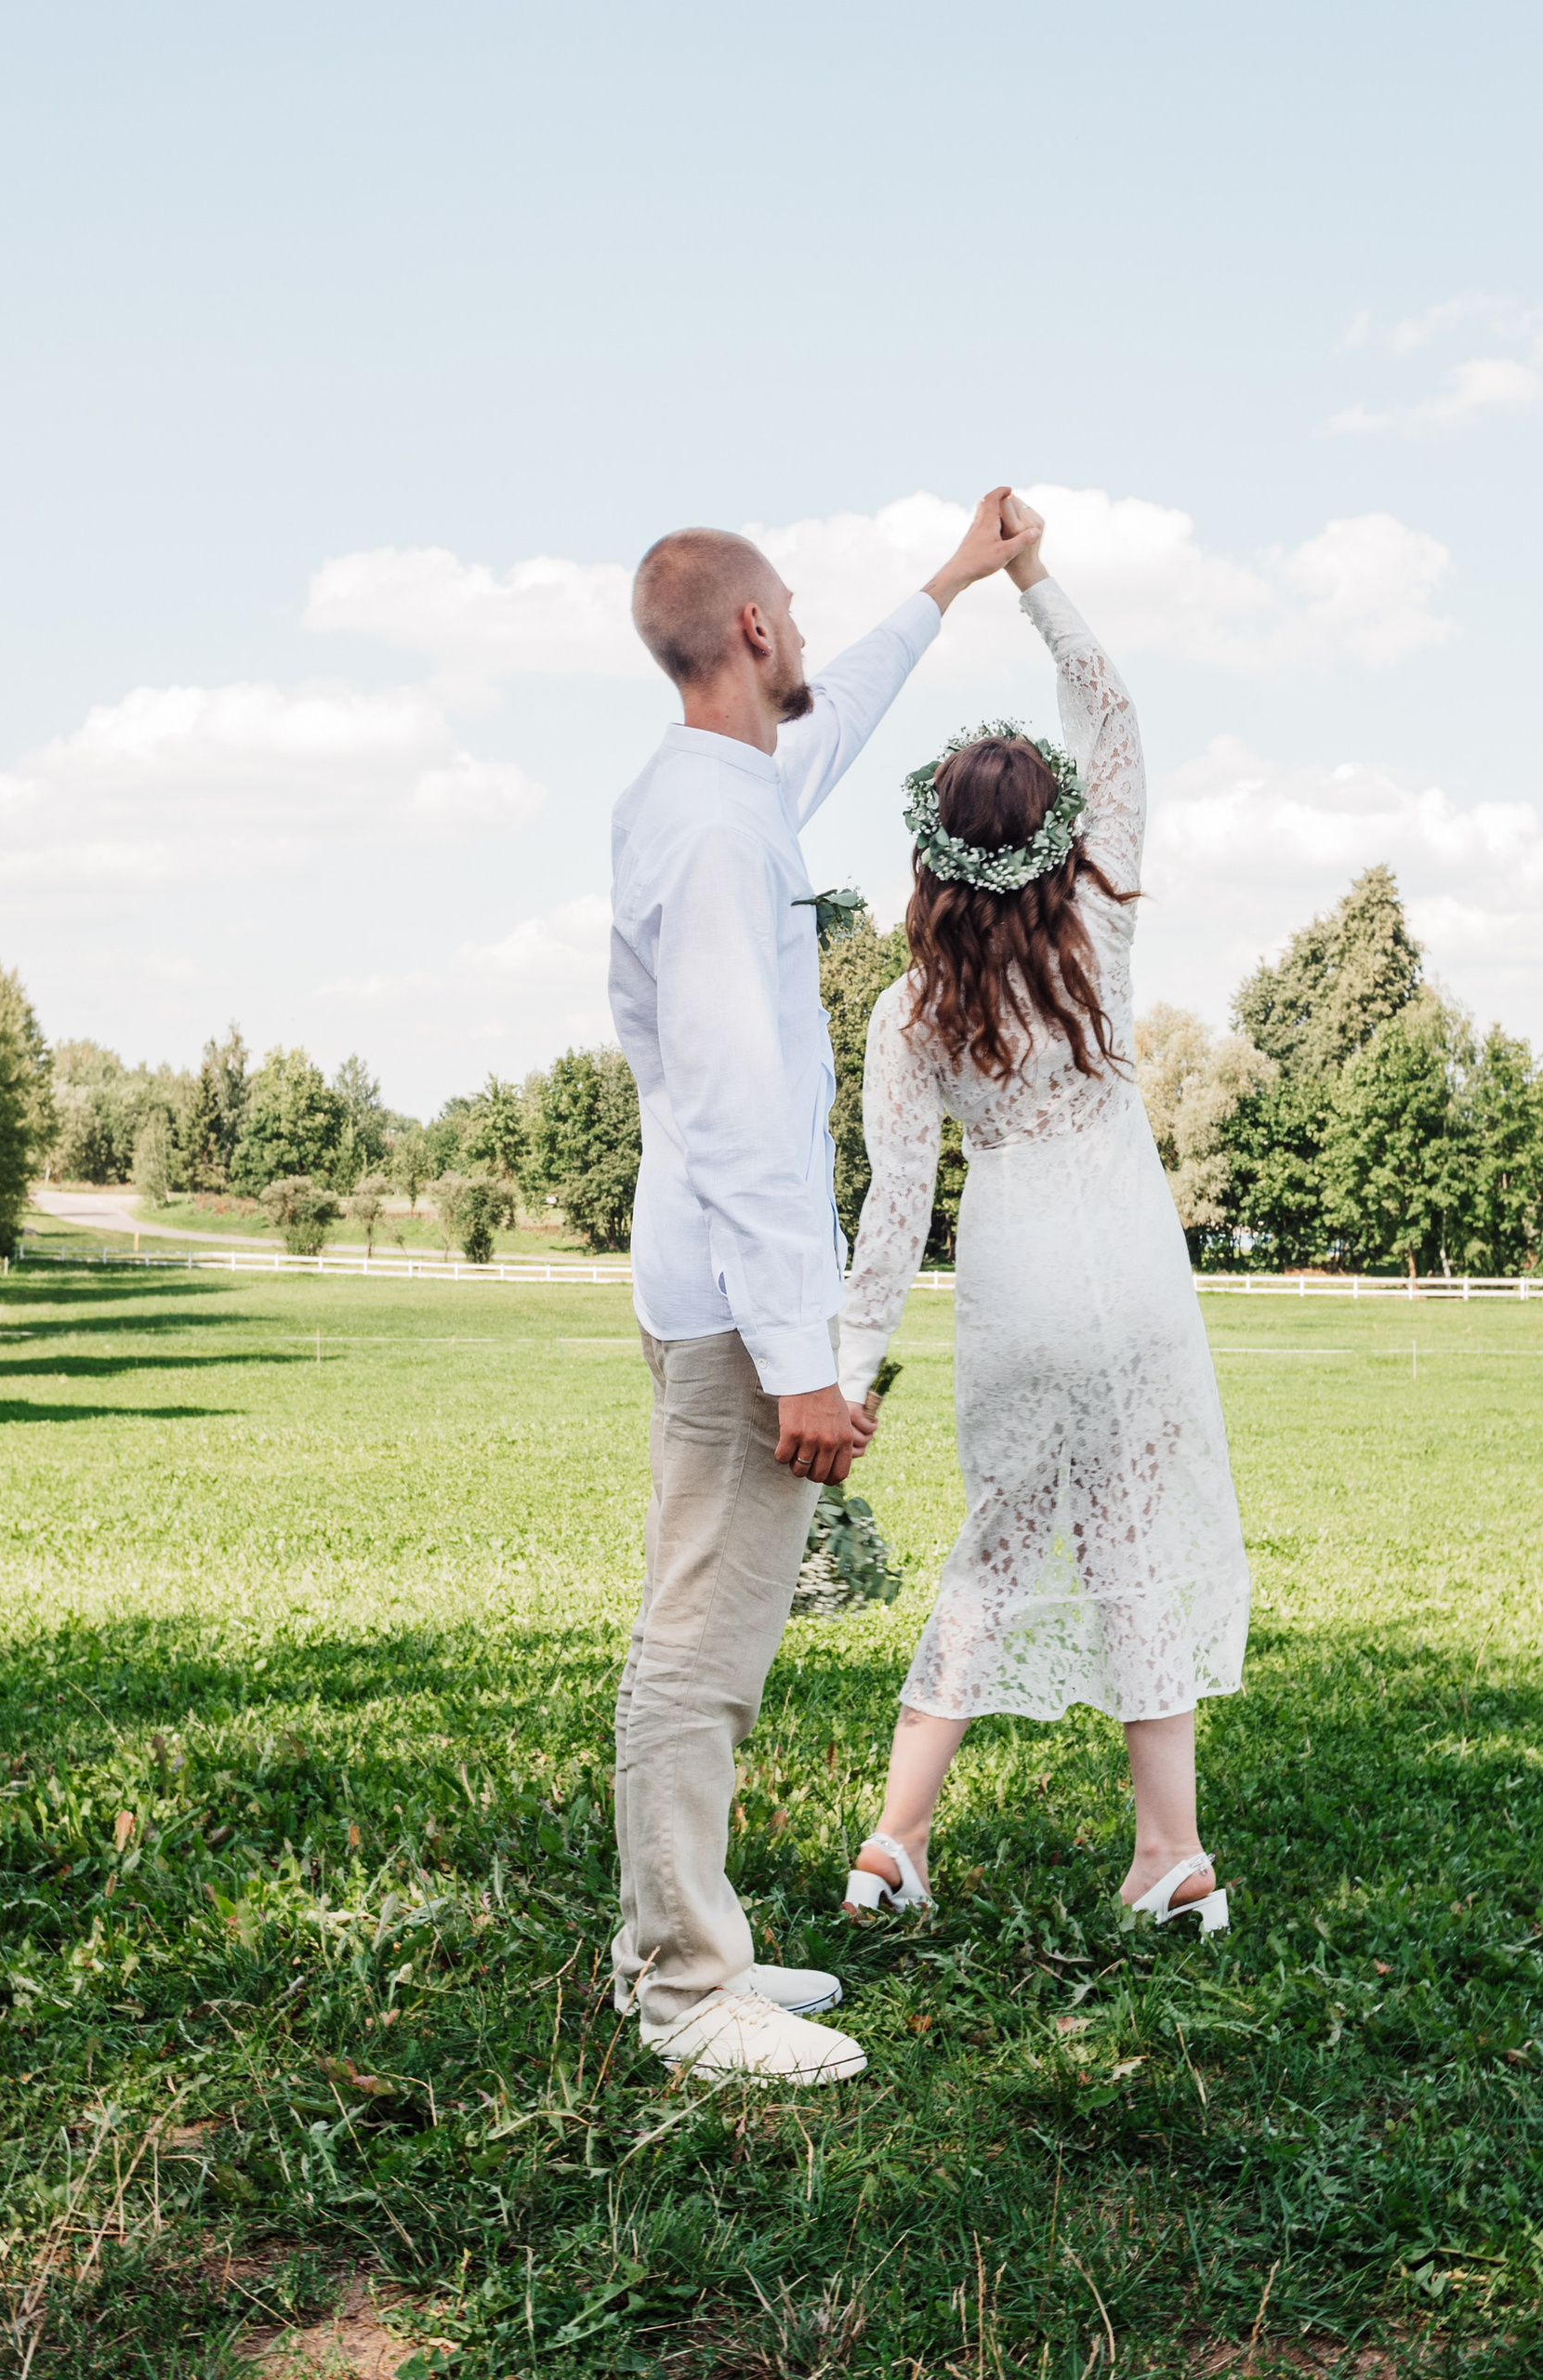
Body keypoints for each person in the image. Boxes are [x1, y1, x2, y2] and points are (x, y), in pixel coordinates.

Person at [607, 490, 1031, 2083]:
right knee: (702, 1646)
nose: (807, 632)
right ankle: (684, 1989)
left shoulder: (717, 789)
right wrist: (803, 1365)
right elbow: (736, 1110)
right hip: (734, 1299)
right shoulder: (721, 833)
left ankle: (685, 1930)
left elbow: (837, 712)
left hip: (701, 1279)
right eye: (796, 605)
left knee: (708, 1625)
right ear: (752, 631)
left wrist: (949, 583)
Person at [837, 495, 1251, 1934]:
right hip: (1128, 1268)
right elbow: (1118, 713)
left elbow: (893, 1216)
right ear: (1056, 836)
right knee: (1130, 1539)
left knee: (994, 1549)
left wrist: (844, 1377)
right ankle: (1168, 1855)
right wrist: (1037, 579)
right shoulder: (1102, 930)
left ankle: (895, 1844)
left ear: (933, 853)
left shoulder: (909, 1013)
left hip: (1014, 1274)